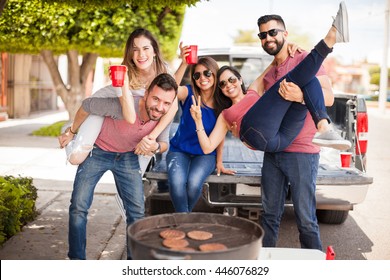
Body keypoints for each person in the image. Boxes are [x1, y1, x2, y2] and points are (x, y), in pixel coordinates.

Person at [190, 2, 349, 251]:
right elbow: (256, 89)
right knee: (270, 216)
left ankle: (317, 270)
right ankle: (265, 267)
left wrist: (298, 96)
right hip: (273, 152)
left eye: (273, 32)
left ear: (285, 33)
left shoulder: (304, 58)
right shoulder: (266, 77)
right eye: (263, 35)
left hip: (302, 151)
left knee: (307, 220)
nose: (268, 38)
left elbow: (328, 97)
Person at [59, 73, 177, 260]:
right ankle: (77, 260)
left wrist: (154, 146)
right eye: (156, 99)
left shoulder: (164, 115)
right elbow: (87, 105)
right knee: (78, 206)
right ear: (146, 94)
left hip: (128, 157)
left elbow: (165, 144)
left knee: (137, 211)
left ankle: (132, 263)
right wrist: (72, 131)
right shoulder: (123, 105)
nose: (159, 107)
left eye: (166, 103)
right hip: (97, 151)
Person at [64, 28, 176, 174]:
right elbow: (129, 116)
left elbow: (173, 105)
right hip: (100, 110)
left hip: (138, 126)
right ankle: (67, 129)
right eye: (135, 49)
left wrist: (150, 138)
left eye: (146, 48)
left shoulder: (165, 71)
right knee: (76, 157)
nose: (141, 54)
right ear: (130, 53)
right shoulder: (123, 75)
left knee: (138, 172)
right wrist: (72, 131)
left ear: (154, 51)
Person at [166, 45, 235, 213]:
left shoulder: (223, 103)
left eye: (207, 73)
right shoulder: (189, 93)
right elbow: (171, 89)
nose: (202, 78)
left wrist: (219, 162)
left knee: (193, 184)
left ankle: (182, 221)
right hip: (179, 150)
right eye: (197, 75)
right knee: (176, 183)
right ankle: (185, 220)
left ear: (215, 74)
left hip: (205, 154)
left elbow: (220, 136)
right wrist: (183, 63)